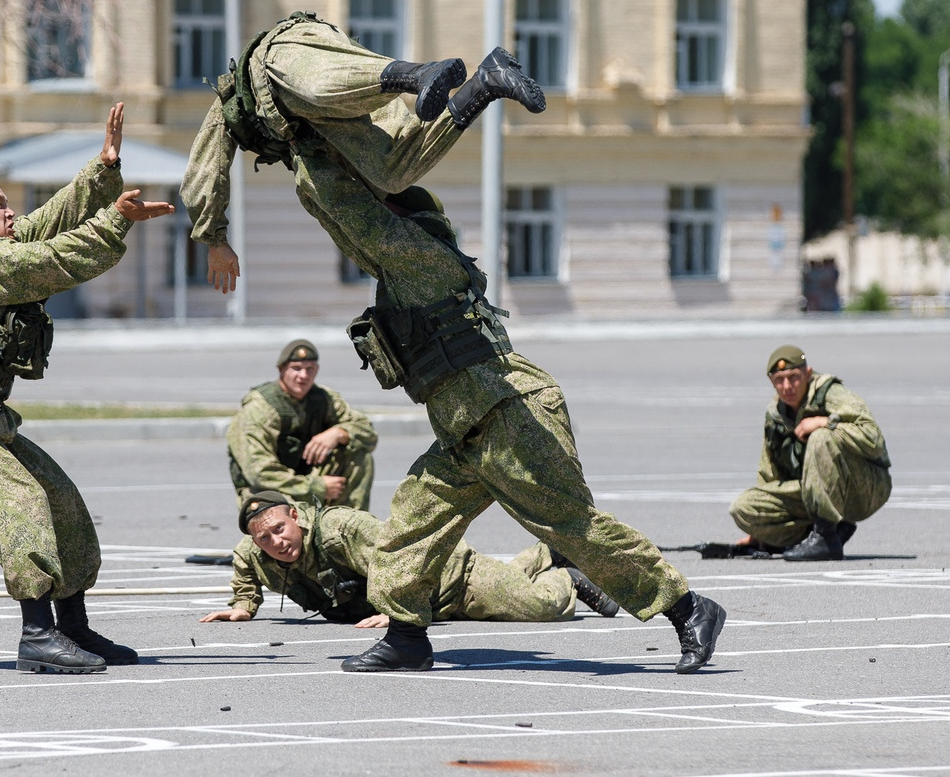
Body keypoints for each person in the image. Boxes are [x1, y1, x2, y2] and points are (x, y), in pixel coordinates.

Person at [198, 171, 726, 674]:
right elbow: (349, 226)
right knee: (409, 525)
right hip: (463, 428)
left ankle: (687, 608)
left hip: (510, 414)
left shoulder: (426, 258)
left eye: (385, 213)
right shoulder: (402, 276)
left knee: (570, 526)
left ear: (407, 221)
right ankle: (406, 639)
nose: (372, 225)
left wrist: (311, 165)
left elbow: (353, 220)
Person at [0, 104, 174, 674]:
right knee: (22, 505)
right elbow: (49, 259)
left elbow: (43, 225)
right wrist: (115, 222)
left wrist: (102, 173)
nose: (10, 209)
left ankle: (73, 627)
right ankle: (36, 635)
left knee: (59, 500)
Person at [180, 11, 547, 293]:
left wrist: (215, 240)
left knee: (315, 87)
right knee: (393, 170)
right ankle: (488, 80)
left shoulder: (227, 109)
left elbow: (204, 173)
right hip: (331, 112)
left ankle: (418, 74)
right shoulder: (319, 159)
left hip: (282, 58)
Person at [198, 492, 619, 628]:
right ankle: (542, 554)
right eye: (264, 537)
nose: (275, 541)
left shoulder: (340, 529)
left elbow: (399, 559)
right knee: (512, 587)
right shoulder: (257, 551)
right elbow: (245, 564)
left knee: (542, 609)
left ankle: (566, 576)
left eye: (279, 528)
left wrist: (393, 610)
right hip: (432, 602)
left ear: (295, 515)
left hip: (452, 579)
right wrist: (243, 605)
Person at [729, 345, 892, 561]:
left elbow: (874, 438)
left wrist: (825, 422)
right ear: (771, 381)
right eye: (779, 380)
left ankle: (826, 537)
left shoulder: (831, 394)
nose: (787, 386)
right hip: (812, 493)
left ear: (808, 373)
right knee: (743, 508)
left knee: (820, 437)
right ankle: (816, 536)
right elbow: (769, 474)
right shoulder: (776, 415)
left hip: (864, 487)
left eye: (794, 377)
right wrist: (759, 531)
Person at [227, 338, 378, 512]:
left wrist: (339, 433)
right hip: (269, 491)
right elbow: (260, 473)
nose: (303, 376)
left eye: (310, 369)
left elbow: (368, 432)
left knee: (358, 455)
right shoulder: (261, 408)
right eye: (296, 369)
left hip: (305, 479)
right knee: (286, 527)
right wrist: (316, 486)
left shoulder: (323, 399)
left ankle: (349, 527)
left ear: (317, 371)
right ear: (281, 370)